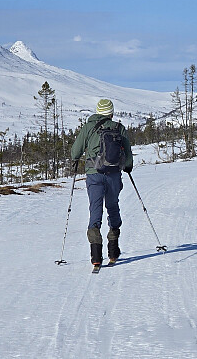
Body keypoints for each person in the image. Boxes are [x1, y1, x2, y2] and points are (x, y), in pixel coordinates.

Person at [70, 98, 134, 267]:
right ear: (111, 113)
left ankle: (96, 257)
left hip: (94, 174)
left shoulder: (89, 127)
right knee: (113, 207)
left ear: (98, 112)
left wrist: (75, 159)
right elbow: (127, 153)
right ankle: (113, 252)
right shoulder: (119, 128)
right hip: (113, 174)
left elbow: (75, 151)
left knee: (95, 210)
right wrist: (127, 167)